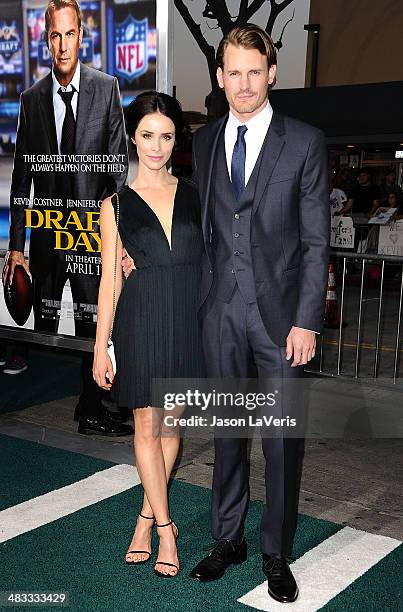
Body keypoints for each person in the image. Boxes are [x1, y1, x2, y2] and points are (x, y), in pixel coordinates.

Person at [189, 25, 329, 604]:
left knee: (278, 442)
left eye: (254, 71)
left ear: (272, 73)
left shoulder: (304, 141)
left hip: (281, 322)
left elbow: (317, 243)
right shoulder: (201, 144)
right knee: (226, 435)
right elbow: (195, 229)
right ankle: (228, 539)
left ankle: (275, 550)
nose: (243, 84)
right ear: (219, 79)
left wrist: (307, 320)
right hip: (220, 315)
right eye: (232, 73)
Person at [2, 0, 131, 436]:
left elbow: (116, 170)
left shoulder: (107, 88)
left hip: (93, 235)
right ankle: (87, 405)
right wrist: (16, 246)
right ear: (45, 40)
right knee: (47, 321)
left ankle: (91, 405)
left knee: (95, 322)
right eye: (54, 35)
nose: (62, 44)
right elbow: (22, 178)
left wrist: (118, 237)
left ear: (82, 36)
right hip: (47, 237)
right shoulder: (31, 99)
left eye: (70, 34)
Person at [93, 91, 204, 578]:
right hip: (139, 319)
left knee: (171, 427)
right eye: (147, 136)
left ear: (175, 140)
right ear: (132, 138)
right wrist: (100, 348)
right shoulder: (114, 205)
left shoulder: (196, 193)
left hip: (185, 317)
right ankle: (164, 529)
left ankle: (143, 514)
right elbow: (108, 281)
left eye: (166, 136)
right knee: (145, 427)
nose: (156, 146)